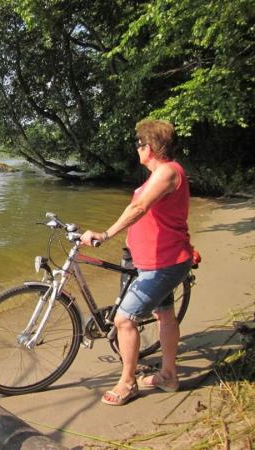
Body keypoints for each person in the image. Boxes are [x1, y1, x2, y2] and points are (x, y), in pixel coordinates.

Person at [80, 119, 193, 406]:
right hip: (154, 259)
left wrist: (104, 234)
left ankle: (127, 383)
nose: (137, 149)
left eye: (140, 144)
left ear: (152, 146)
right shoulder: (159, 175)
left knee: (123, 318)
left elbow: (139, 208)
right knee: (164, 314)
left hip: (164, 263)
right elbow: (169, 218)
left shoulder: (167, 172)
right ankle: (168, 376)